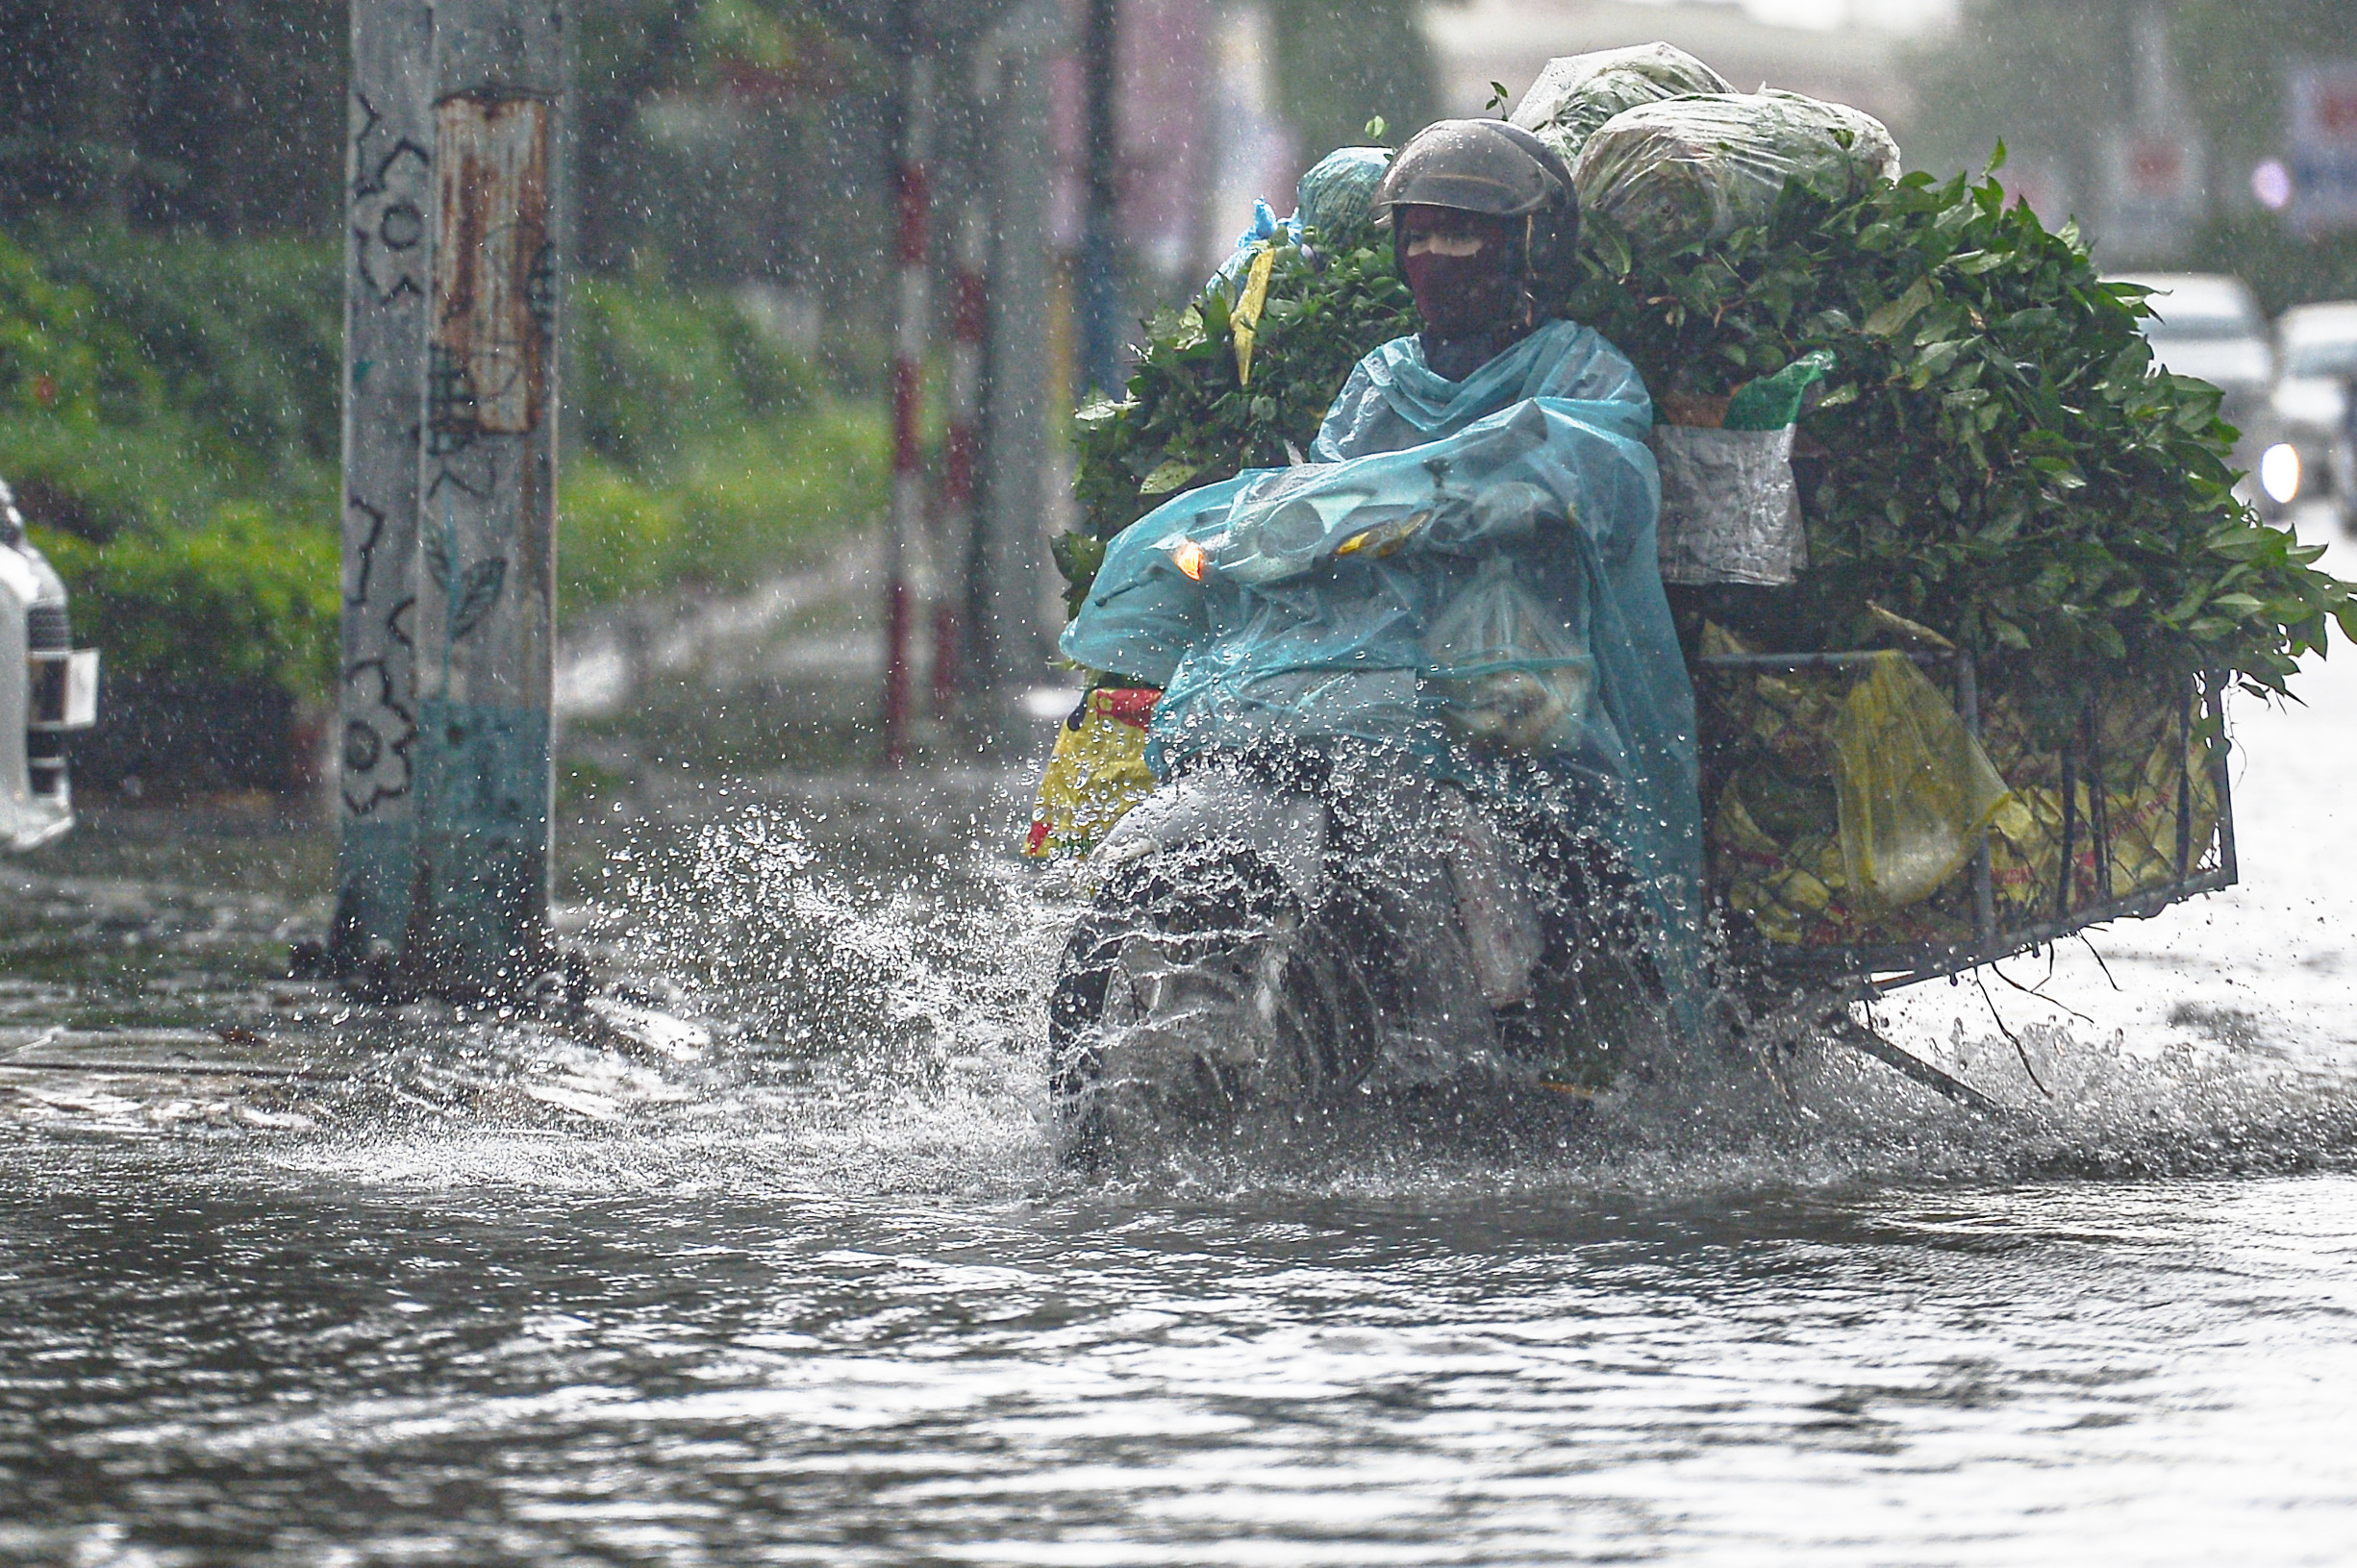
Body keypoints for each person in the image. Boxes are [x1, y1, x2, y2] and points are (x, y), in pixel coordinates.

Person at [1062, 118, 1702, 1017]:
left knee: (1541, 845)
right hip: (1370, 675)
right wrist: (1271, 526)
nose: (1440, 256)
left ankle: (1559, 1017)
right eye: (1421, 234)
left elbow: (1588, 469)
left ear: (1532, 250)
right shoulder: (1381, 377)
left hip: (1516, 679)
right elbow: (1328, 491)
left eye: (1466, 233)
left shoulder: (1583, 370)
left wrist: (1464, 501)